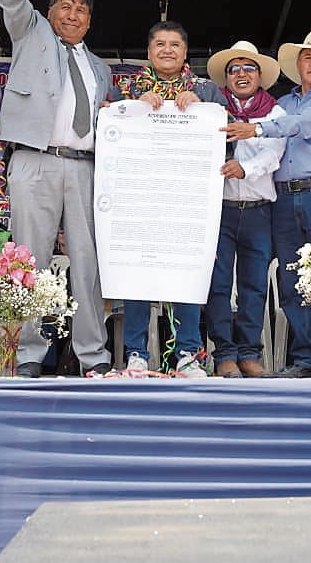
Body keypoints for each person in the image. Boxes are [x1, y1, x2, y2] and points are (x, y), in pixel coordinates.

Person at [0, 0, 113, 378]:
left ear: (89, 22)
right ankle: (25, 355)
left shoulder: (102, 68)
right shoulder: (30, 33)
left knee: (87, 266)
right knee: (29, 260)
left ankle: (93, 356)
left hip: (85, 169)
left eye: (81, 9)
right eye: (64, 6)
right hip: (35, 161)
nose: (72, 14)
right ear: (49, 12)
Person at [227, 29, 311, 378]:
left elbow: (299, 126)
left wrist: (256, 130)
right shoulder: (283, 103)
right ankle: (304, 360)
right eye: (308, 58)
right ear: (297, 65)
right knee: (291, 280)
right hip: (283, 197)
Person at [108, 20, 228, 377]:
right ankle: (136, 354)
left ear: (185, 52)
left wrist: (200, 111)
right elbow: (106, 128)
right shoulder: (126, 89)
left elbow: (227, 134)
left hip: (186, 200)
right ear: (148, 52)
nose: (167, 50)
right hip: (139, 198)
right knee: (137, 273)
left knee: (185, 271)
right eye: (160, 44)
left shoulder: (206, 91)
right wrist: (133, 108)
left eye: (175, 44)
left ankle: (189, 353)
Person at [205, 40, 285, 378]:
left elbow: (274, 154)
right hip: (219, 209)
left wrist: (245, 169)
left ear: (260, 76)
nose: (241, 74)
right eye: (234, 69)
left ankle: (250, 353)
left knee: (254, 285)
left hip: (257, 210)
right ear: (226, 78)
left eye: (248, 68)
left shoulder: (275, 112)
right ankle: (224, 354)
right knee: (218, 284)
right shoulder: (210, 109)